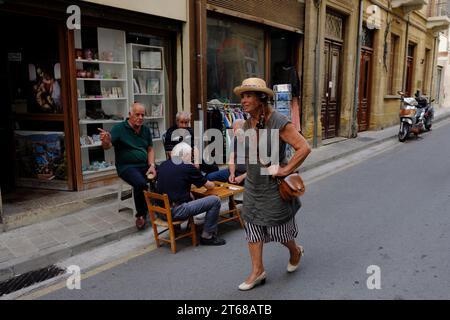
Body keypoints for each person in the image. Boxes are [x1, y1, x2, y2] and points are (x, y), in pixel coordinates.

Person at [233, 77, 311, 291]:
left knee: (280, 232)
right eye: (242, 96)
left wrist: (285, 170)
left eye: (248, 95)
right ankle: (257, 271)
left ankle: (295, 251)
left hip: (274, 189)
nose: (243, 100)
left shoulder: (278, 121)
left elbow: (304, 148)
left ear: (261, 98)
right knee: (253, 229)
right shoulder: (248, 122)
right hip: (253, 186)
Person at [99, 102, 157, 230]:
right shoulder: (119, 129)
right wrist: (106, 141)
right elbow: (107, 147)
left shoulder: (146, 130)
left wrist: (152, 165)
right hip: (127, 167)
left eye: (143, 115)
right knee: (141, 183)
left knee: (165, 173)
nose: (140, 117)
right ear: (130, 114)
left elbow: (150, 149)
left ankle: (163, 206)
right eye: (137, 114)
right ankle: (141, 215)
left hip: (145, 165)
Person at [157, 142, 226, 246]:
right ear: (186, 155)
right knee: (215, 200)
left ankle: (176, 230)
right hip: (175, 213)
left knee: (181, 196)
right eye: (191, 155)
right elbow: (209, 186)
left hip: (160, 212)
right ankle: (207, 236)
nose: (192, 158)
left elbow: (173, 182)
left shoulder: (163, 164)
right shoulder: (187, 167)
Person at [205, 119, 247, 184]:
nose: (235, 133)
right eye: (234, 130)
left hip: (248, 175)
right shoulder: (235, 139)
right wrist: (232, 174)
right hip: (235, 171)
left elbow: (256, 169)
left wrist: (241, 177)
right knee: (209, 177)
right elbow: (231, 160)